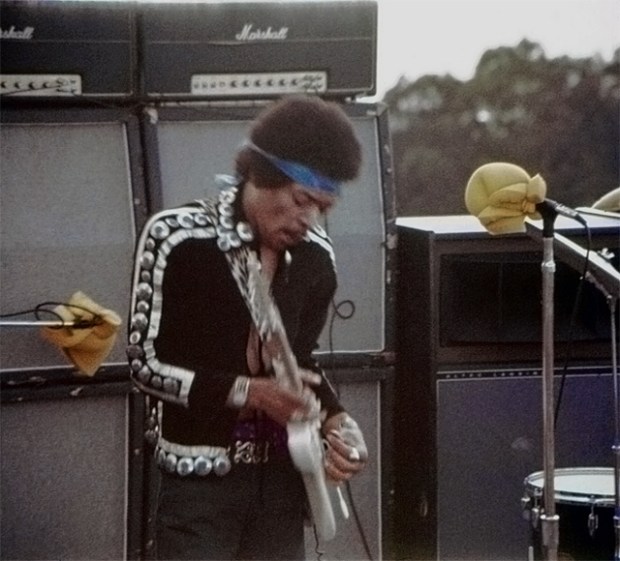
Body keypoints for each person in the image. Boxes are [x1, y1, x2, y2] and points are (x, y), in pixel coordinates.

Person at [127, 95, 368, 560]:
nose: (308, 219)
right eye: (301, 200)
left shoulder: (316, 257)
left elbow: (299, 361)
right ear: (261, 173)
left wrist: (340, 423)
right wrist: (250, 393)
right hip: (199, 484)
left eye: (322, 207)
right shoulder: (177, 238)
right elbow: (144, 365)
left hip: (283, 482)